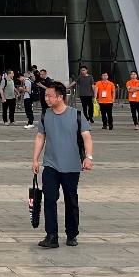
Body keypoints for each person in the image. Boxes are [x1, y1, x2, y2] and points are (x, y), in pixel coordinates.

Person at [32, 81, 94, 248]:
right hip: (51, 164)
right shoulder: (45, 115)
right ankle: (51, 235)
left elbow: (87, 137)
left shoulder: (76, 115)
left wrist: (88, 157)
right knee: (49, 198)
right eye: (46, 96)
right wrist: (35, 159)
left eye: (49, 96)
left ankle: (72, 234)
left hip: (72, 165)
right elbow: (40, 137)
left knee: (71, 200)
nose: (46, 99)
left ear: (60, 97)